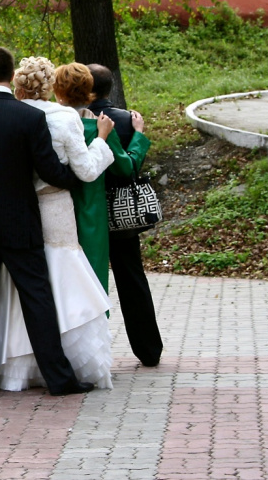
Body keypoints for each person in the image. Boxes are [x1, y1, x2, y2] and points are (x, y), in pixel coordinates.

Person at [0, 46, 93, 396]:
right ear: (12, 75)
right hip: (20, 221)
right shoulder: (29, 118)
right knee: (37, 299)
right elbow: (49, 170)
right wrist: (76, 180)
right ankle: (59, 378)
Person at [0, 57, 115, 391]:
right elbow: (86, 170)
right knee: (62, 275)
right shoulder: (64, 116)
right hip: (55, 204)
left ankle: (17, 363)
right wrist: (101, 139)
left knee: (21, 284)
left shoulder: (10, 114)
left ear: (19, 84)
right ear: (49, 86)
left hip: (17, 209)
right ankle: (65, 361)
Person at [87, 63, 163, 367]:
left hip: (87, 211)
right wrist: (139, 135)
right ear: (109, 87)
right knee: (132, 279)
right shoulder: (127, 119)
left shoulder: (74, 119)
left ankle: (91, 352)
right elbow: (131, 168)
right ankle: (149, 349)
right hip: (122, 213)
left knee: (87, 280)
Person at [54, 62, 146, 291]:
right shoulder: (100, 127)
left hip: (55, 207)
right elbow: (125, 168)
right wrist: (139, 136)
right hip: (91, 210)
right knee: (93, 282)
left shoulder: (49, 124)